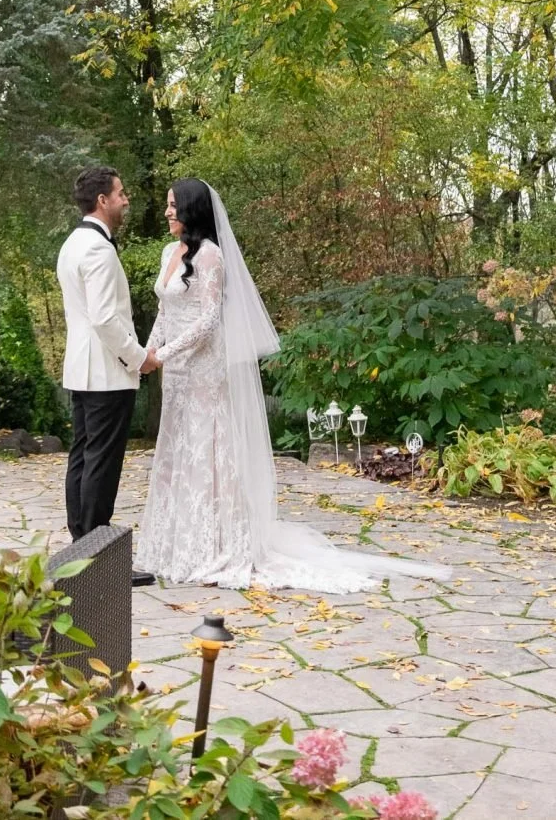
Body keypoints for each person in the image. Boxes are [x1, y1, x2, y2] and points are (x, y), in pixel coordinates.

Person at [136, 178, 451, 592]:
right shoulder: (166, 253)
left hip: (204, 369)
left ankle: (214, 544)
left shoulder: (212, 256)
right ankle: (173, 545)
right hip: (175, 372)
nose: (167, 212)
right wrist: (148, 352)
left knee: (207, 448)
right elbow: (165, 310)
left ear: (192, 209)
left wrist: (166, 352)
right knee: (177, 447)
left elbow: (209, 320)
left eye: (173, 205)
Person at [57, 165, 158, 585]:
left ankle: (80, 550)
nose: (126, 199)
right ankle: (96, 559)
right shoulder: (98, 249)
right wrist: (139, 358)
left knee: (83, 457)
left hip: (84, 369)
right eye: (121, 193)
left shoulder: (73, 243)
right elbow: (104, 318)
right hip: (106, 371)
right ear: (102, 200)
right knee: (101, 462)